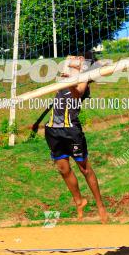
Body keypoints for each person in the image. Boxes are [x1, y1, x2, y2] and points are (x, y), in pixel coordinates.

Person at [44, 54, 108, 223]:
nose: (76, 59)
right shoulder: (66, 76)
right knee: (63, 169)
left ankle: (100, 205)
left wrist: (85, 67)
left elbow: (77, 93)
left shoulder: (83, 85)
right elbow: (68, 60)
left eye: (81, 60)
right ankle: (79, 201)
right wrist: (73, 63)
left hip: (71, 130)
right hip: (53, 129)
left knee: (85, 169)